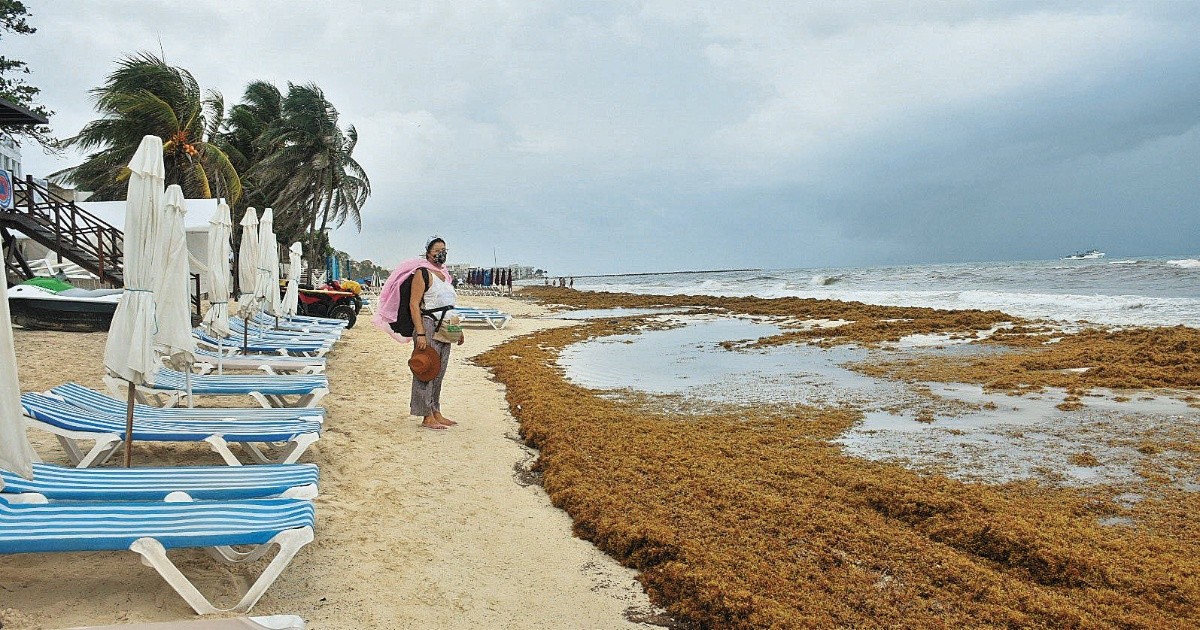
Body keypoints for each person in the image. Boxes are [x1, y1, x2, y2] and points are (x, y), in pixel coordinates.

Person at [408, 237, 464, 430]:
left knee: (439, 371)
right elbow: (414, 304)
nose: (442, 253)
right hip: (428, 324)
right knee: (426, 370)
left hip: (446, 326)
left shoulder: (445, 277)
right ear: (428, 253)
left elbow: (448, 306)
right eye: (438, 250)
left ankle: (435, 410)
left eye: (444, 250)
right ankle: (426, 415)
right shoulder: (422, 273)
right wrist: (421, 334)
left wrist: (458, 331)